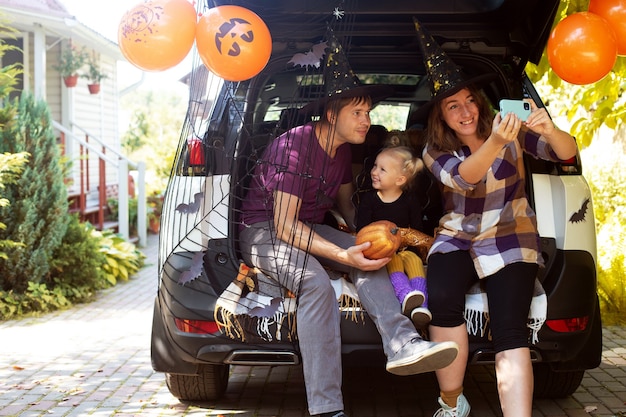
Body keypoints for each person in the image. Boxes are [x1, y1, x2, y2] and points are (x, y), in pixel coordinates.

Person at [238, 31, 459, 417]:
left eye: (368, 113)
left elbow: (347, 212)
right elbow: (285, 226)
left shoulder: (341, 152)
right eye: (357, 113)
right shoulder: (295, 146)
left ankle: (403, 344)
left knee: (368, 254)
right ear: (331, 114)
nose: (367, 121)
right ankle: (326, 408)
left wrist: (382, 238)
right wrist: (343, 254)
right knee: (315, 284)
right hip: (265, 230)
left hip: (308, 224)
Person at [412, 19, 579, 417]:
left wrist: (549, 129)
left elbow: (566, 153)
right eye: (453, 106)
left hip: (511, 234)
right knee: (444, 301)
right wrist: (495, 143)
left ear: (481, 102)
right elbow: (465, 178)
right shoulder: (433, 151)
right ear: (441, 116)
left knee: (509, 326)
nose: (465, 111)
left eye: (470, 100)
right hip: (457, 236)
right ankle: (453, 403)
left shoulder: (512, 130)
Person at [355, 134, 432, 328]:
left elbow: (416, 230)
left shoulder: (410, 201)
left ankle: (422, 305)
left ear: (400, 179)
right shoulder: (370, 200)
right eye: (374, 166)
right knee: (394, 260)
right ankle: (405, 294)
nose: (374, 172)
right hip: (383, 251)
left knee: (413, 260)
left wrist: (407, 244)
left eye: (382, 169)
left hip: (406, 247)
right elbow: (362, 230)